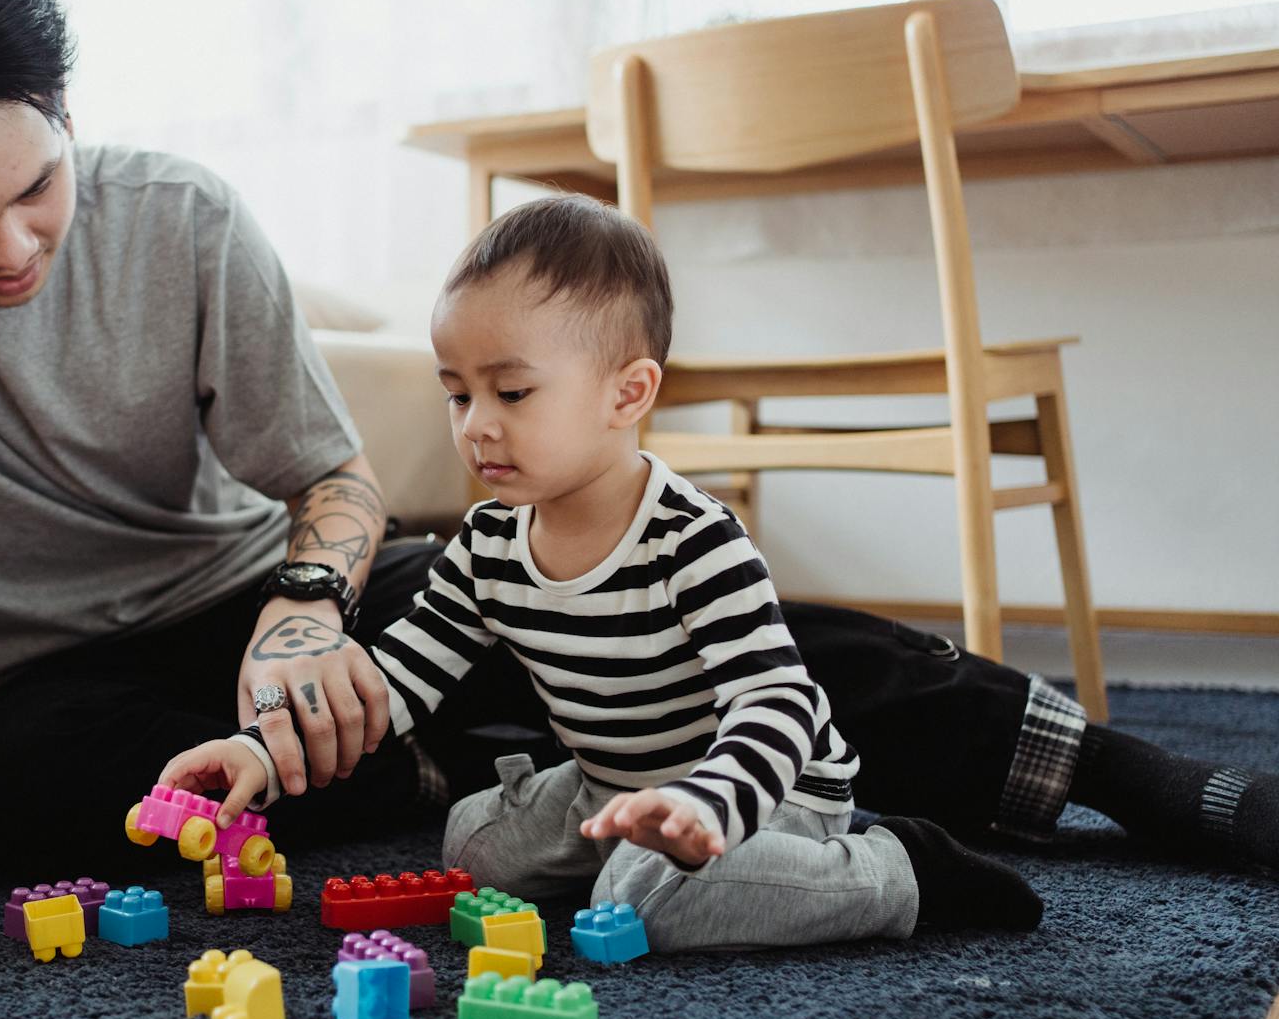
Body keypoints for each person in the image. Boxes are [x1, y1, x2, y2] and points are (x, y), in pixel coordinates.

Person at [0, 0, 1274, 936]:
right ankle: (464, 763)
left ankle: (1096, 765)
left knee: (644, 601)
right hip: (50, 682)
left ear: (71, 120)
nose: (11, 246)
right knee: (19, 803)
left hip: (270, 604)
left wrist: (309, 610)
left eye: (38, 188)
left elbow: (330, 478)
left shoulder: (183, 217)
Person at [163, 197, 1050, 949]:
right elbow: (394, 682)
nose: (475, 424)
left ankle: (898, 870)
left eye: (511, 393)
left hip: (762, 790)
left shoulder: (692, 539)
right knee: (472, 843)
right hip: (611, 782)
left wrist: (710, 803)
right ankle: (634, 843)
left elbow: (778, 703)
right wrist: (258, 754)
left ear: (628, 393)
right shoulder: (487, 544)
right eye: (457, 392)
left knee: (644, 896)